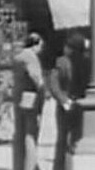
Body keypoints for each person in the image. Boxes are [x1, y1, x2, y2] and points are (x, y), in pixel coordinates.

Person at [12, 32, 45, 170]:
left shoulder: (18, 56)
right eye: (41, 46)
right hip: (30, 97)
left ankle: (19, 164)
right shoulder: (31, 58)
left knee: (19, 133)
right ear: (35, 44)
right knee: (30, 134)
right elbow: (36, 77)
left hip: (19, 96)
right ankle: (29, 165)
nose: (41, 49)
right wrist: (43, 89)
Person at [49, 38, 75, 170]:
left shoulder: (62, 62)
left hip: (65, 103)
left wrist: (62, 99)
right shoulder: (87, 61)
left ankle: (60, 166)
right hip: (78, 102)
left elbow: (53, 83)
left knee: (62, 137)